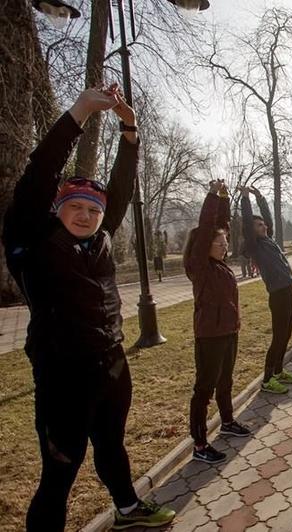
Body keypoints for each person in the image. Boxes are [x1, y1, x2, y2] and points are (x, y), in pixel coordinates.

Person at [2, 85, 174, 530]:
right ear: (56, 209)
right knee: (60, 470)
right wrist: (80, 111)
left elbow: (121, 187)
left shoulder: (102, 237)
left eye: (93, 209)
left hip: (112, 363)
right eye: (74, 206)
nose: (85, 215)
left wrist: (130, 128)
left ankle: (128, 509)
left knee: (112, 443)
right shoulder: (33, 239)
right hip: (63, 375)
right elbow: (40, 173)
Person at [184, 180, 252, 465]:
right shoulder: (200, 265)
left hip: (228, 332)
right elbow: (207, 227)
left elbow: (221, 224)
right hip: (210, 335)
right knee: (205, 389)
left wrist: (225, 198)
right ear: (205, 245)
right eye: (220, 244)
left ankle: (227, 422)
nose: (225, 247)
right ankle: (200, 444)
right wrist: (212, 196)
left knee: (226, 381)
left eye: (226, 244)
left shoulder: (220, 265)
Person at [240, 186, 292, 394]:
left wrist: (260, 197)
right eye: (259, 225)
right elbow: (247, 222)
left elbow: (269, 220)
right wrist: (246, 199)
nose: (264, 226)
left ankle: (278, 371)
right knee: (278, 337)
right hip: (278, 295)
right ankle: (267, 380)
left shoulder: (268, 240)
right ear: (251, 230)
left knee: (286, 335)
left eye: (263, 224)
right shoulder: (255, 245)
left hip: (289, 292)